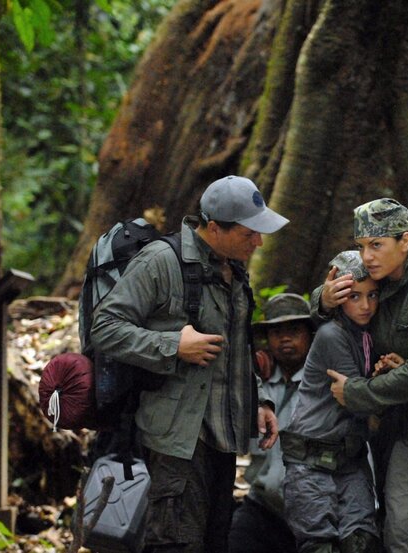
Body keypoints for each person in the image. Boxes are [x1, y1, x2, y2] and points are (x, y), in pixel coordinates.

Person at [90, 175, 287, 552]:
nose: (259, 242)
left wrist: (259, 400)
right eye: (249, 234)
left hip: (222, 437)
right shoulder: (162, 261)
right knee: (175, 544)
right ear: (214, 227)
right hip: (177, 441)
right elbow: (106, 327)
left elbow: (236, 347)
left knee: (214, 542)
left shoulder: (233, 267)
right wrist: (172, 345)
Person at [314, 199, 408, 553]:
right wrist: (323, 299)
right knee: (398, 531)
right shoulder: (376, 279)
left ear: (405, 242)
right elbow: (331, 293)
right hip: (407, 426)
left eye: (377, 245)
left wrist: (355, 392)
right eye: (362, 246)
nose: (367, 256)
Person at [282, 251, 384, 553]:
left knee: (361, 540)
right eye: (354, 296)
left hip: (350, 460)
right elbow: (360, 398)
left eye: (372, 295)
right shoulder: (331, 334)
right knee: (319, 544)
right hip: (311, 462)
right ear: (338, 296)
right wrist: (387, 381)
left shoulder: (370, 334)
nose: (365, 306)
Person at [229, 293, 315, 553]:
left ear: (310, 335)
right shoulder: (258, 384)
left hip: (312, 512)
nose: (285, 338)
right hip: (262, 506)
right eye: (277, 332)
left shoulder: (324, 383)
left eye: (294, 330)